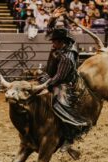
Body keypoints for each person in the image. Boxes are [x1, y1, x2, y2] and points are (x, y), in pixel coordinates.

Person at [38, 8, 90, 152]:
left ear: (61, 42)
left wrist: (45, 84)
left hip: (65, 84)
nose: (52, 43)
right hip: (51, 77)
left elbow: (59, 78)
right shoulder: (60, 47)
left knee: (60, 105)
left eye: (54, 41)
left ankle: (70, 136)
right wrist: (52, 19)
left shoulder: (67, 57)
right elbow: (49, 31)